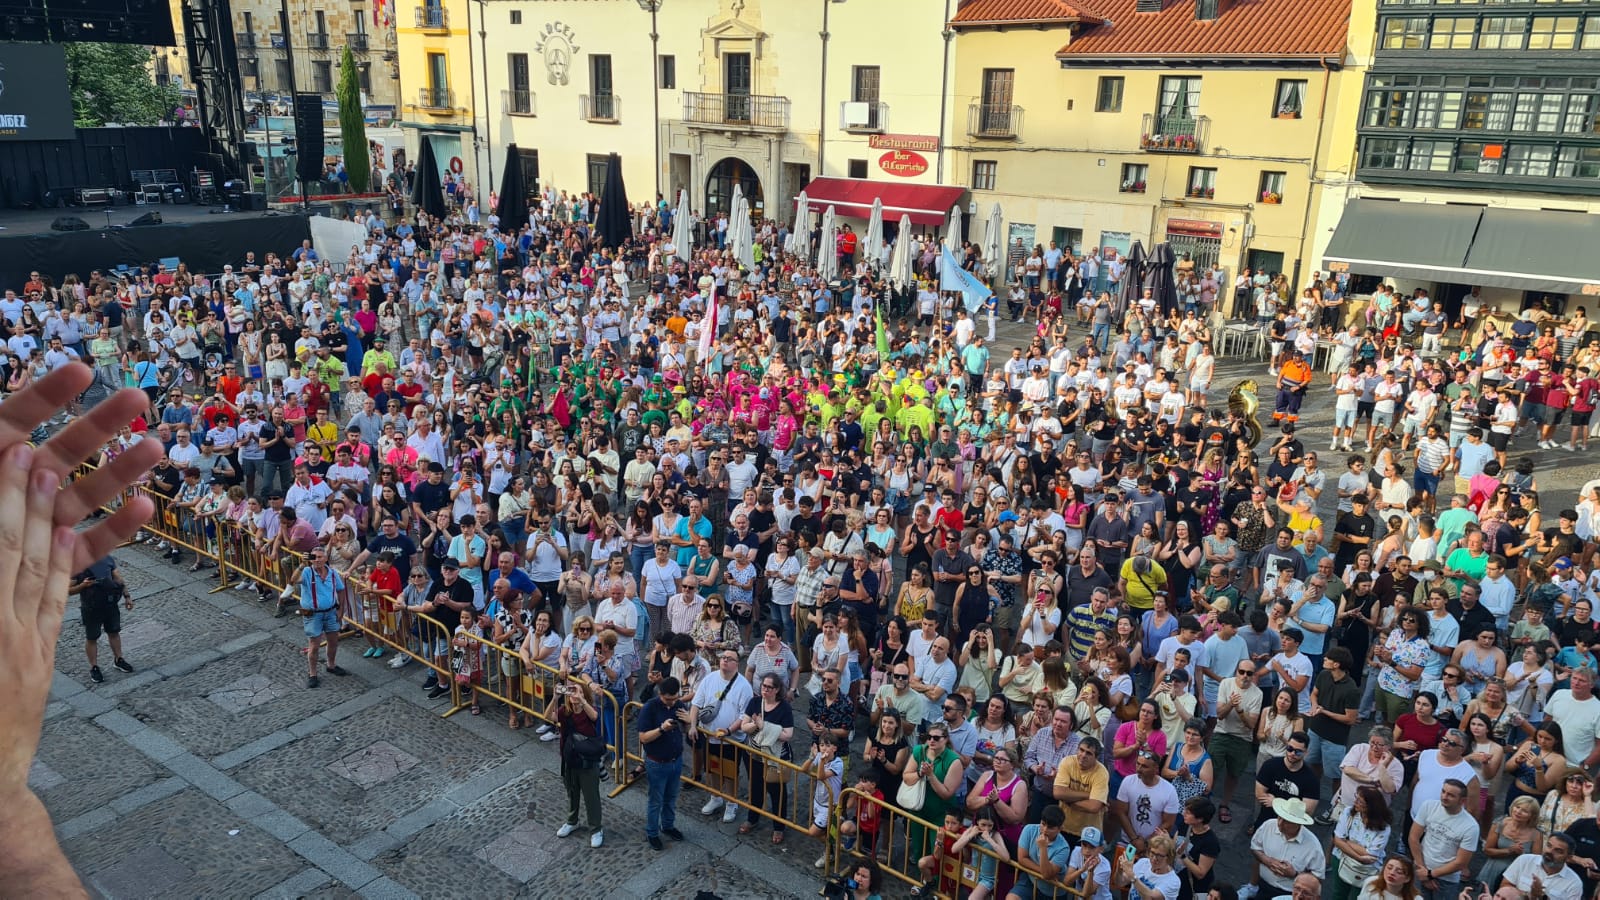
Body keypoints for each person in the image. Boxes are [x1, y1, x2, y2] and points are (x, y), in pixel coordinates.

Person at [0, 366, 167, 897]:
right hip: (76, 604)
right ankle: (98, 663)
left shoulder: (99, 564)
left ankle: (111, 660)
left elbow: (109, 570)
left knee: (108, 631)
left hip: (93, 598)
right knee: (95, 635)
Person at [549, 675, 605, 847]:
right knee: (572, 792)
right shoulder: (565, 712)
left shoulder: (589, 710)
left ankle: (596, 829)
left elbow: (595, 717)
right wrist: (555, 698)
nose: (573, 694)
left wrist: (582, 699)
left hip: (587, 761)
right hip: (569, 759)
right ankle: (572, 821)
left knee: (591, 796)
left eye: (578, 691)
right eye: (572, 691)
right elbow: (549, 717)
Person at [637, 675, 691, 850]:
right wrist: (661, 729)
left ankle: (668, 826)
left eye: (674, 699)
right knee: (656, 800)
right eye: (668, 699)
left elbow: (689, 731)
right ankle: (652, 832)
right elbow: (643, 737)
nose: (671, 703)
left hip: (676, 761)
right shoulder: (650, 708)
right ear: (660, 694)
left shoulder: (678, 704)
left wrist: (690, 722)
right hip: (656, 762)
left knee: (671, 797)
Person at [1406, 779, 1479, 900]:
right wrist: (1421, 869)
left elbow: (1461, 863)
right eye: (1443, 791)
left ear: (1462, 801)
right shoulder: (1429, 806)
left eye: (1451, 795)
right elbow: (1413, 837)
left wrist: (1429, 874)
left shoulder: (1470, 826)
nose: (1444, 797)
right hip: (1421, 869)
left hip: (1446, 880)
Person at [1242, 798, 1324, 900]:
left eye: (1287, 821)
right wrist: (1268, 861)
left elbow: (1317, 879)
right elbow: (1255, 848)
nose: (1280, 823)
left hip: (1291, 894)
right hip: (1262, 885)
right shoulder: (1269, 825)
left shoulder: (1313, 846)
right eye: (1279, 817)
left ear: (1298, 824)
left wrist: (1295, 874)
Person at [69, 555, 133, 684]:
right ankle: (94, 667)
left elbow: (118, 579)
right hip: (91, 608)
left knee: (114, 632)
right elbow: (68, 590)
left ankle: (118, 659)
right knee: (92, 637)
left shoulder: (107, 559)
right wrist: (83, 585)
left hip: (110, 604)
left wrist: (127, 596)